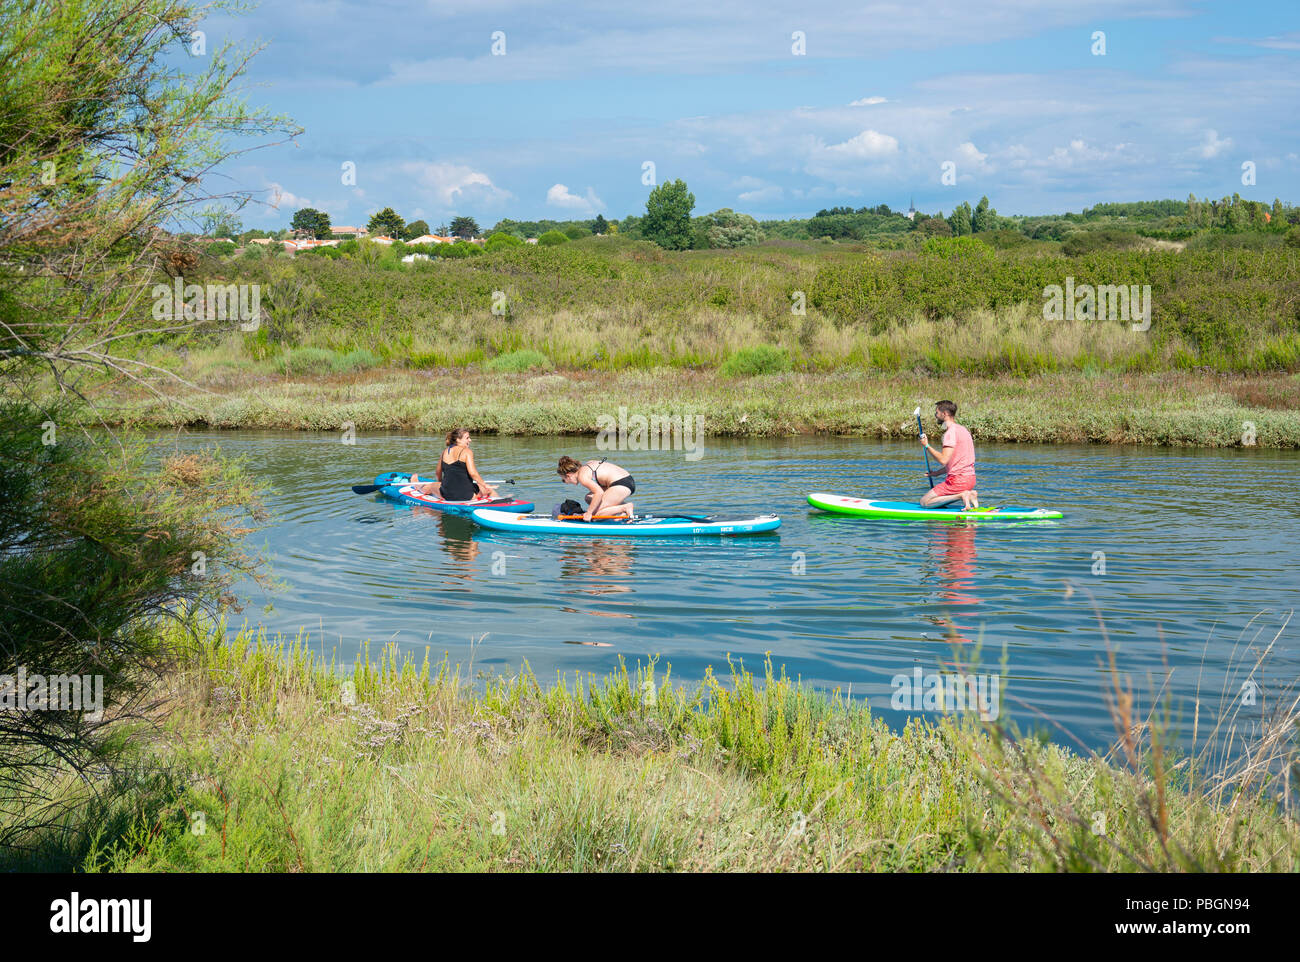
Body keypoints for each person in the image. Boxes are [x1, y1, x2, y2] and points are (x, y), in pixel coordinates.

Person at [918, 400, 978, 509]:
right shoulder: (963, 430)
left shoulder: (950, 433)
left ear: (944, 414)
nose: (936, 416)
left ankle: (962, 495)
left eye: (937, 413)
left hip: (958, 481)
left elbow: (943, 460)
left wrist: (927, 446)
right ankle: (970, 494)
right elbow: (957, 462)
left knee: (924, 502)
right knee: (937, 501)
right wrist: (937, 473)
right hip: (970, 479)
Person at [410, 428, 499, 501]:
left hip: (447, 495)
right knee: (489, 490)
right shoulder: (467, 452)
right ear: (458, 440)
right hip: (467, 496)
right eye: (467, 438)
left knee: (430, 486)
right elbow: (473, 473)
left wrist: (441, 483)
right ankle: (499, 503)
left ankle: (416, 484)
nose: (470, 440)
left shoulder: (444, 452)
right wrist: (485, 485)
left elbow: (438, 473)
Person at [556, 455, 635, 521]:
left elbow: (599, 493)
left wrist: (589, 513)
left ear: (568, 475)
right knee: (588, 498)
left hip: (621, 483)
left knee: (596, 516)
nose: (566, 483)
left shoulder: (582, 477)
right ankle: (621, 510)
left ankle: (625, 507)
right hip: (626, 480)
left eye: (564, 480)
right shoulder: (587, 465)